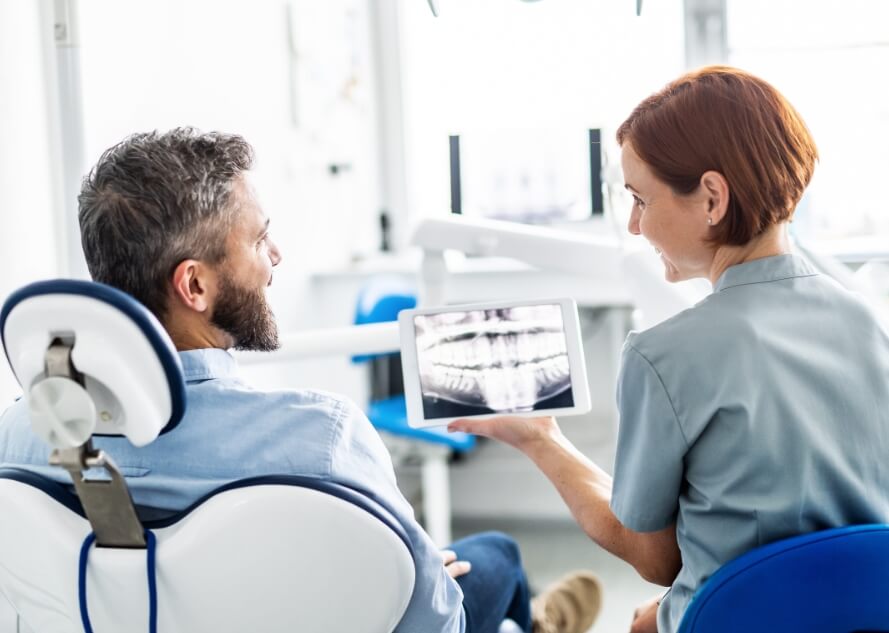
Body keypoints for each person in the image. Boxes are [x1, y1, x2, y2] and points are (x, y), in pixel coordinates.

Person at [0, 128, 602, 633]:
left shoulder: (22, 435)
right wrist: (421, 574)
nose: (277, 256)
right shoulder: (322, 437)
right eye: (259, 239)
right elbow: (431, 619)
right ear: (195, 287)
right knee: (494, 558)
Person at [449, 65, 889, 633]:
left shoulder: (664, 356)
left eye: (640, 199)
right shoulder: (870, 321)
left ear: (711, 197)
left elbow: (655, 559)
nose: (633, 226)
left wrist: (541, 440)